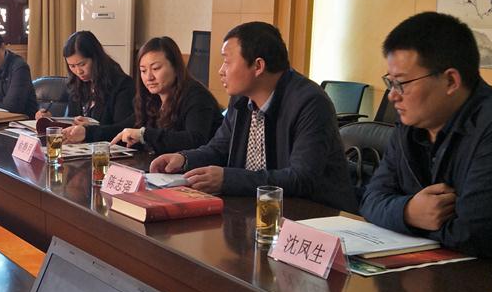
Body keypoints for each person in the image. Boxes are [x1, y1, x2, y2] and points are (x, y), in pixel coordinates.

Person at [361, 12, 492, 257]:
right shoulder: (409, 124)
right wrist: (408, 212)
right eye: (390, 82)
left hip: (486, 277)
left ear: (451, 81)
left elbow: (477, 235)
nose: (392, 96)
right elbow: (370, 200)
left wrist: (400, 217)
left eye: (402, 83)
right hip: (423, 267)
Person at [150, 22, 357, 212]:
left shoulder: (310, 103)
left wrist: (228, 179)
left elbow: (301, 178)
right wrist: (184, 159)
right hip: (255, 209)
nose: (221, 71)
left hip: (314, 216)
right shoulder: (241, 97)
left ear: (258, 66)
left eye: (227, 62)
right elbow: (219, 148)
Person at [64, 36, 222, 154]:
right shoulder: (151, 98)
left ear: (175, 67)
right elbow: (125, 128)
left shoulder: (196, 96)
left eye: (156, 68)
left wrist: (144, 135)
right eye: (143, 71)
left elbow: (195, 140)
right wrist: (87, 132)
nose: (149, 77)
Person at [35, 30, 134, 125]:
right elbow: (72, 120)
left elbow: (122, 129)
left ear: (96, 58)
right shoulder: (76, 83)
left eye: (82, 64)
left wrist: (91, 129)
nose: (78, 71)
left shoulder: (122, 85)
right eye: (72, 66)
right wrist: (51, 120)